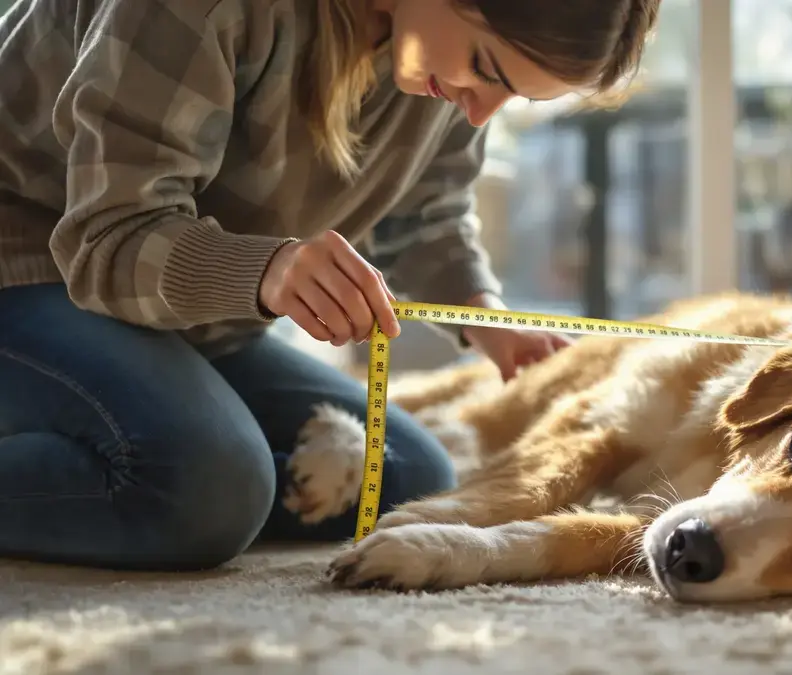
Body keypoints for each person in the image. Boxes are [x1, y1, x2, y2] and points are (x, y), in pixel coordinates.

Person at [0, 0, 660, 571]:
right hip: (30, 267)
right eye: (488, 68)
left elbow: (425, 215)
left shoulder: (429, 55)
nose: (482, 112)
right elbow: (108, 237)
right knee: (206, 486)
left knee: (406, 477)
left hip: (178, 317)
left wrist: (484, 312)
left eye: (514, 95)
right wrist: (269, 270)